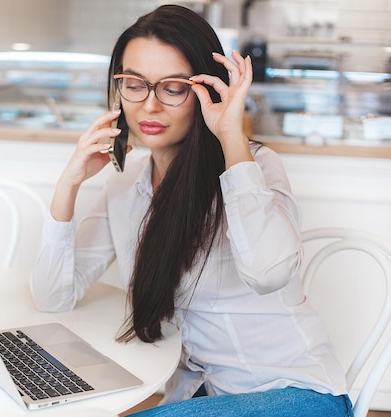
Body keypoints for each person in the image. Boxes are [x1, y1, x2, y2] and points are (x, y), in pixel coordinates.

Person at [30, 5, 352, 417]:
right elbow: (53, 297)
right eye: (134, 83)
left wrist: (231, 135)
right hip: (200, 397)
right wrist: (69, 183)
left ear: (207, 89)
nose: (149, 105)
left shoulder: (253, 167)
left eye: (173, 87)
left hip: (292, 393)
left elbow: (268, 273)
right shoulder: (126, 184)